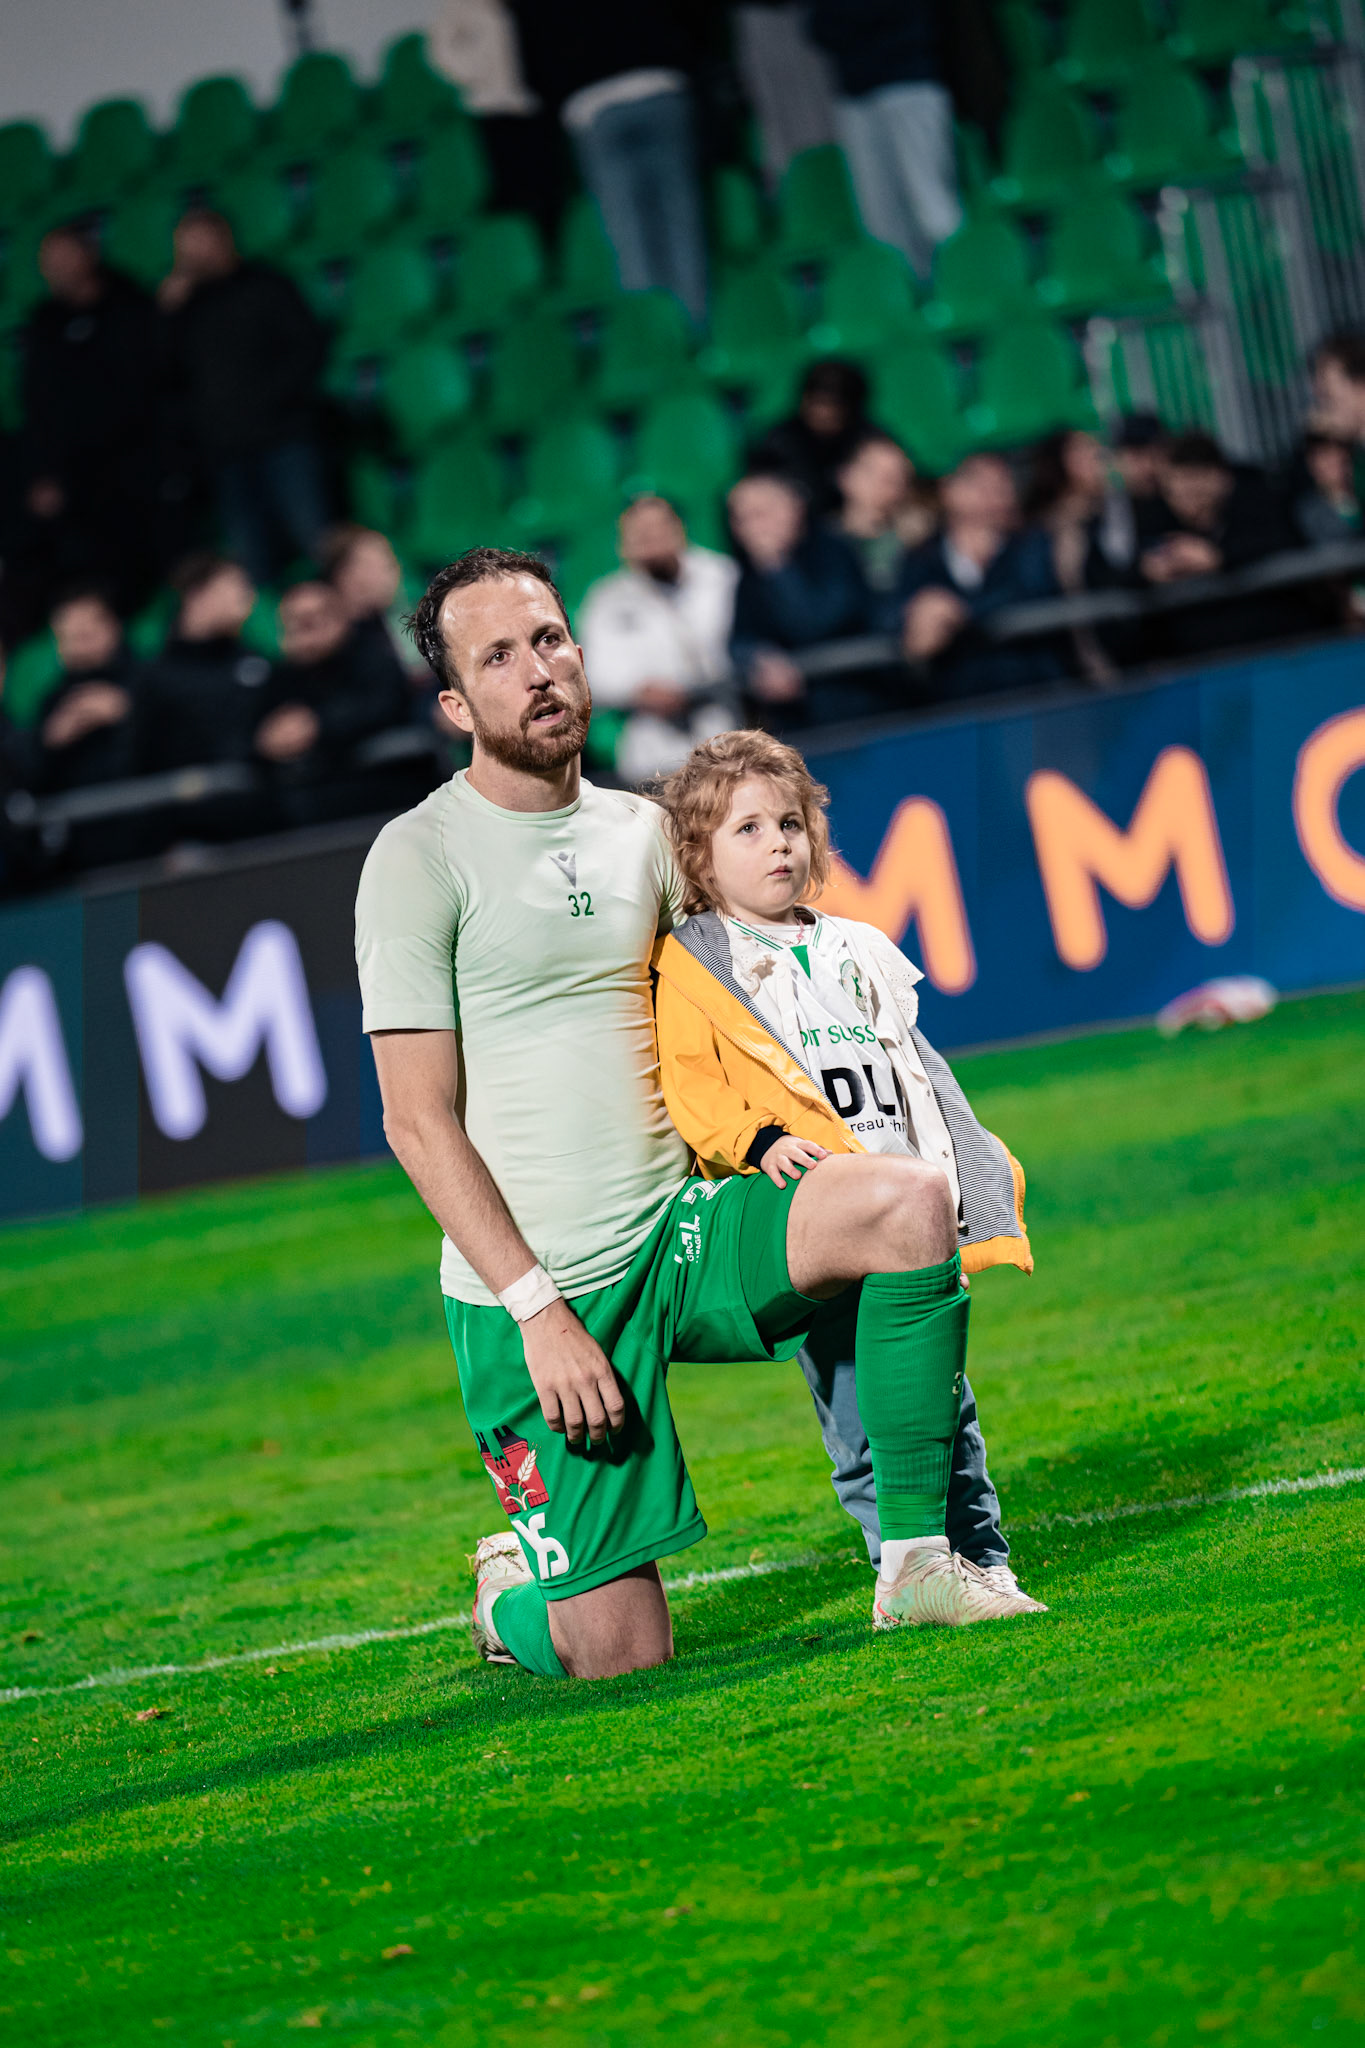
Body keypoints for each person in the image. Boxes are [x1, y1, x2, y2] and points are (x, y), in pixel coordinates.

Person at [355, 546, 1033, 1684]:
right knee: (620, 1655)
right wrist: (538, 1313)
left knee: (904, 1201)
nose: (539, 671)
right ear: (456, 705)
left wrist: (867, 1116)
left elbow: (756, 1002)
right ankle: (511, 1598)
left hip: (681, 1233)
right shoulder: (418, 860)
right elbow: (416, 1122)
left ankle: (918, 1561)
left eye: (550, 639)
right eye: (499, 657)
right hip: (543, 1292)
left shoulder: (645, 832)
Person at [652, 728, 1041, 1611]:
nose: (778, 845)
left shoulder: (854, 944)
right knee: (860, 1412)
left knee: (946, 1402)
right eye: (748, 829)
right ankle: (901, 1564)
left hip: (907, 1210)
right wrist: (757, 1143)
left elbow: (916, 1070)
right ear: (699, 857)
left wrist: (968, 1170)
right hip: (820, 1218)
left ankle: (982, 1558)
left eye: (789, 824)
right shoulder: (696, 962)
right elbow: (691, 1084)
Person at [504, 2, 708, 321]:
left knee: (630, 239)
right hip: (658, 83)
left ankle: (660, 338)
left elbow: (531, 58)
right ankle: (691, 331)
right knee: (682, 228)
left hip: (596, 103)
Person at [159, 210, 330, 586]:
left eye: (198, 243)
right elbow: (160, 374)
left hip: (284, 439)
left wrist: (265, 403)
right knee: (251, 560)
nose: (191, 255)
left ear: (223, 238)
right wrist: (166, 315)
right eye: (183, 247)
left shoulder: (267, 285)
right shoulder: (185, 307)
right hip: (225, 453)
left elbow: (307, 350)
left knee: (315, 542)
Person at [19, 223, 161, 618]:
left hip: (138, 463)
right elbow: (36, 403)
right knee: (88, 570)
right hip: (76, 476)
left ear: (88, 255)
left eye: (62, 258)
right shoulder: (44, 322)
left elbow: (155, 383)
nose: (53, 269)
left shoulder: (131, 305)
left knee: (145, 564)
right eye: (47, 262)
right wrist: (43, 471)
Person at [576, 495, 739, 781]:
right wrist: (638, 690)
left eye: (658, 527)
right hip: (652, 753)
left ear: (680, 528)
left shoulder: (722, 576)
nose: (650, 538)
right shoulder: (607, 599)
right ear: (622, 544)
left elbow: (740, 647)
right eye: (638, 532)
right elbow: (593, 675)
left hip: (727, 732)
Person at [809, 0, 962, 282]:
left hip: (908, 84)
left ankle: (967, 284)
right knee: (881, 224)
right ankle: (911, 299)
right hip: (856, 95)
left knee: (932, 208)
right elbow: (818, 27)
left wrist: (848, 18)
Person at [894, 451, 1064, 698]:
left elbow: (1033, 590)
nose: (997, 494)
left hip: (1033, 691)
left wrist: (956, 612)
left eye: (1003, 484)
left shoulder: (1031, 542)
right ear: (949, 490)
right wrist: (915, 617)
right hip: (956, 698)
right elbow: (894, 609)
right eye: (982, 484)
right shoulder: (922, 556)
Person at [728, 472, 878, 729]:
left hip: (861, 709)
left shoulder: (834, 552)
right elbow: (739, 638)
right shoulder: (751, 574)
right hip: (800, 723)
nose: (752, 528)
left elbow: (815, 624)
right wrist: (758, 657)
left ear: (794, 508)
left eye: (760, 514)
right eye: (742, 519)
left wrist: (777, 568)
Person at [1139, 432, 1308, 659]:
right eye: (1175, 487)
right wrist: (1146, 571)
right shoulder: (1156, 521)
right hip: (1200, 662)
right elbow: (1121, 573)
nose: (1185, 496)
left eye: (1194, 484)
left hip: (1274, 647)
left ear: (1221, 479)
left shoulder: (1256, 502)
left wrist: (1217, 557)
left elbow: (1284, 541)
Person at [257, 578, 409, 792]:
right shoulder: (281, 675)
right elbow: (259, 729)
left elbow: (384, 706)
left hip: (384, 781)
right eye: (292, 623)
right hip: (312, 790)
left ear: (339, 618)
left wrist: (317, 725)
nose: (302, 633)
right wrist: (269, 739)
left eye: (310, 621)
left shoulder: (373, 655)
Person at [139, 553, 269, 774]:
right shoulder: (155, 677)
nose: (248, 596)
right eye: (235, 585)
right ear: (196, 594)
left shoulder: (255, 662)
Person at [35, 586, 142, 793]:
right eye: (66, 637)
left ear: (112, 627)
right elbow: (30, 781)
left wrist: (131, 712)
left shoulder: (148, 683)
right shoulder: (53, 703)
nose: (77, 648)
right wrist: (48, 742)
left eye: (85, 635)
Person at [748, 359, 875, 514]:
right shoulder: (777, 443)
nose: (823, 413)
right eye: (817, 402)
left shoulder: (869, 443)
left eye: (832, 404)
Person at [832, 431, 934, 597]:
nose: (884, 484)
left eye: (897, 476)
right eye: (872, 472)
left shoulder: (918, 546)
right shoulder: (809, 539)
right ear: (844, 476)